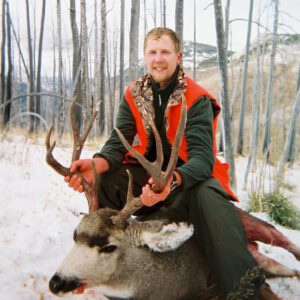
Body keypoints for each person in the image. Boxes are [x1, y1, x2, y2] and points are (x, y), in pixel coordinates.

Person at [65, 27, 265, 299]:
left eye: (165, 52)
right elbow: (118, 139)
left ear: (178, 56)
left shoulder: (196, 99)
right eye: (152, 52)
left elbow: (203, 159)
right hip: (149, 183)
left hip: (189, 185)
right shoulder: (134, 93)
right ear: (145, 57)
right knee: (104, 178)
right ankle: (106, 260)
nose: (158, 59)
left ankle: (243, 288)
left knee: (211, 202)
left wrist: (171, 181)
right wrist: (97, 164)